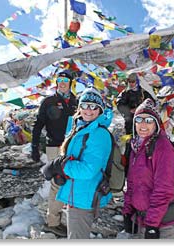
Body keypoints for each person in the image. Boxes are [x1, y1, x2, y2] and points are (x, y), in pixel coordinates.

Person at [55, 86, 113, 239]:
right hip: (77, 192)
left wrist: (62, 167)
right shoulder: (80, 127)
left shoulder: (98, 134)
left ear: (100, 110)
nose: (89, 110)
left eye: (94, 106)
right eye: (85, 105)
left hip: (84, 196)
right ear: (79, 107)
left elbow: (88, 170)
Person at [122, 98, 174, 239]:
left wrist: (152, 225)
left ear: (156, 124)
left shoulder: (163, 148)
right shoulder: (136, 147)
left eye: (148, 120)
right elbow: (132, 183)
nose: (143, 124)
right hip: (142, 219)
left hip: (162, 223)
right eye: (139, 119)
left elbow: (163, 190)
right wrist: (128, 211)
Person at [31, 70, 78, 236]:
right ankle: (53, 222)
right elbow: (38, 125)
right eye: (59, 80)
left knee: (73, 179)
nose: (62, 82)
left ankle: (72, 216)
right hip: (54, 146)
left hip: (72, 147)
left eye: (65, 80)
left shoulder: (75, 101)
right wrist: (34, 146)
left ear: (71, 82)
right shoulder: (49, 101)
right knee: (57, 182)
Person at [116, 72, 154, 170]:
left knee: (145, 142)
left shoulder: (143, 92)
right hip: (130, 122)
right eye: (129, 81)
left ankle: (145, 164)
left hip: (143, 122)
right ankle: (128, 166)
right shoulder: (125, 93)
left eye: (133, 81)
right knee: (131, 142)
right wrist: (129, 111)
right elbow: (119, 105)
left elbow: (152, 102)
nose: (131, 83)